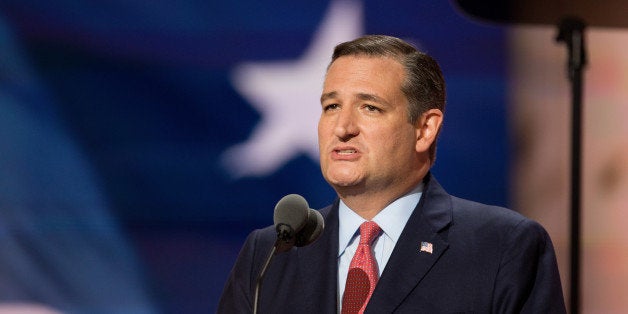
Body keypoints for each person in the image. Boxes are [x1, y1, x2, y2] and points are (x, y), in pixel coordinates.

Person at [218, 35, 566, 313]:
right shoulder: (269, 254)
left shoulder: (504, 247)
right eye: (331, 106)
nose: (343, 128)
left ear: (425, 129)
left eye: (370, 107)